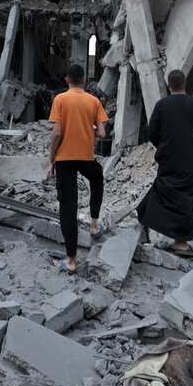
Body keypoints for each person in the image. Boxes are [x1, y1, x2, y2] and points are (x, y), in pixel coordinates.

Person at [136, 69, 193, 257]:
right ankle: (180, 242)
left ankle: (144, 215)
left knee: (164, 188)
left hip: (168, 157)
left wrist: (162, 145)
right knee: (186, 199)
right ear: (184, 84)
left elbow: (152, 132)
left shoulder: (162, 105)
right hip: (190, 160)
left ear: (169, 85)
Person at [46, 63, 108, 274]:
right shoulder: (94, 101)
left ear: (67, 80)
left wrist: (51, 159)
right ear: (83, 79)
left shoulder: (60, 100)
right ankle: (94, 224)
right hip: (85, 157)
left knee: (68, 208)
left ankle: (71, 260)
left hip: (64, 159)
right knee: (97, 178)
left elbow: (56, 133)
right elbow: (102, 133)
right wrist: (87, 126)